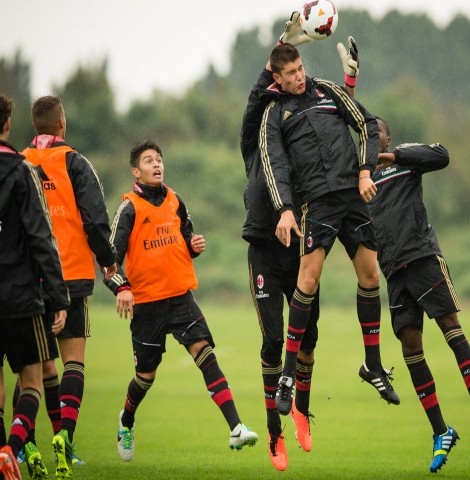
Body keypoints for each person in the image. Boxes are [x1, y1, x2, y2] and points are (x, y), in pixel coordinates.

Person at [241, 13, 363, 470]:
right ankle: (275, 435)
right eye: (286, 74)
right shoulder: (258, 130)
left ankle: (301, 412)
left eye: (298, 71)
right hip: (264, 246)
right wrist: (276, 50)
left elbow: (330, 127)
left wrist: (348, 84)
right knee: (273, 340)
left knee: (307, 338)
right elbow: (259, 97)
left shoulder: (293, 125)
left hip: (301, 241)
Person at [258, 42, 400, 418]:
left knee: (371, 276)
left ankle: (372, 364)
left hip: (352, 196)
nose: (299, 76)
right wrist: (285, 210)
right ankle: (287, 376)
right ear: (278, 78)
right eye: (291, 73)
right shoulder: (274, 113)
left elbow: (366, 124)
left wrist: (365, 171)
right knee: (308, 280)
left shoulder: (327, 90)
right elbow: (273, 164)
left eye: (300, 68)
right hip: (317, 203)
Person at [104, 140, 258, 462]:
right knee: (145, 378)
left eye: (159, 159)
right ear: (136, 171)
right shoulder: (129, 208)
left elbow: (185, 239)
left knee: (205, 352)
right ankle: (126, 421)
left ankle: (236, 427)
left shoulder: (175, 200)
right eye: (149, 161)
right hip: (147, 304)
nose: (157, 164)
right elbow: (109, 260)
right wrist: (122, 288)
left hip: (180, 297)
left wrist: (193, 246)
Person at [367, 117, 470, 473]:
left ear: (388, 138)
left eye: (378, 134)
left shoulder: (406, 162)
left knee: (451, 329)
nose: (373, 139)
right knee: (411, 350)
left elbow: (442, 155)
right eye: (367, 135)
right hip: (394, 273)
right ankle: (441, 431)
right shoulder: (361, 181)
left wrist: (396, 157)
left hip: (423, 258)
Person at [20, 94, 117, 477]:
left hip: (27, 278)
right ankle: (66, 439)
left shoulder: (19, 163)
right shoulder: (75, 162)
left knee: (34, 365)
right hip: (71, 274)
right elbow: (94, 219)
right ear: (62, 124)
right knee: (72, 361)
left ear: (35, 126)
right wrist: (108, 261)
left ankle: (24, 443)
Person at [0, 93, 70, 480]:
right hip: (20, 295)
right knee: (31, 380)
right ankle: (11, 449)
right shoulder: (21, 169)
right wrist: (58, 296)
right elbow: (42, 236)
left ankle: (3, 456)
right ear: (8, 124)